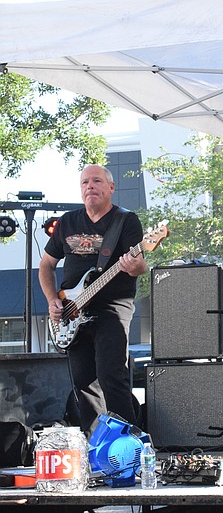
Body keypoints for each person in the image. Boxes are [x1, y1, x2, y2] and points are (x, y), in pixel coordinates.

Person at [39, 164, 148, 436]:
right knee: (84, 383)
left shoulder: (125, 221)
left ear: (111, 187)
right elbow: (46, 265)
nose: (90, 186)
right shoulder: (67, 222)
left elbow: (140, 267)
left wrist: (131, 264)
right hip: (72, 311)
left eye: (97, 181)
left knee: (112, 376)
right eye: (85, 182)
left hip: (112, 307)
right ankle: (95, 446)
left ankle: (128, 445)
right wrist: (53, 300)